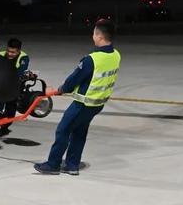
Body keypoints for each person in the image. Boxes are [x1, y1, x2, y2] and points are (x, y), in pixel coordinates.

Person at [34, 19, 121, 175]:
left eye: (94, 33)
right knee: (80, 131)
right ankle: (72, 165)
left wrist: (60, 90)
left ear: (99, 36)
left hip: (83, 104)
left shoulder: (92, 59)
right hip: (97, 105)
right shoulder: (116, 55)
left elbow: (74, 79)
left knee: (63, 130)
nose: (93, 36)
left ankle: (53, 164)